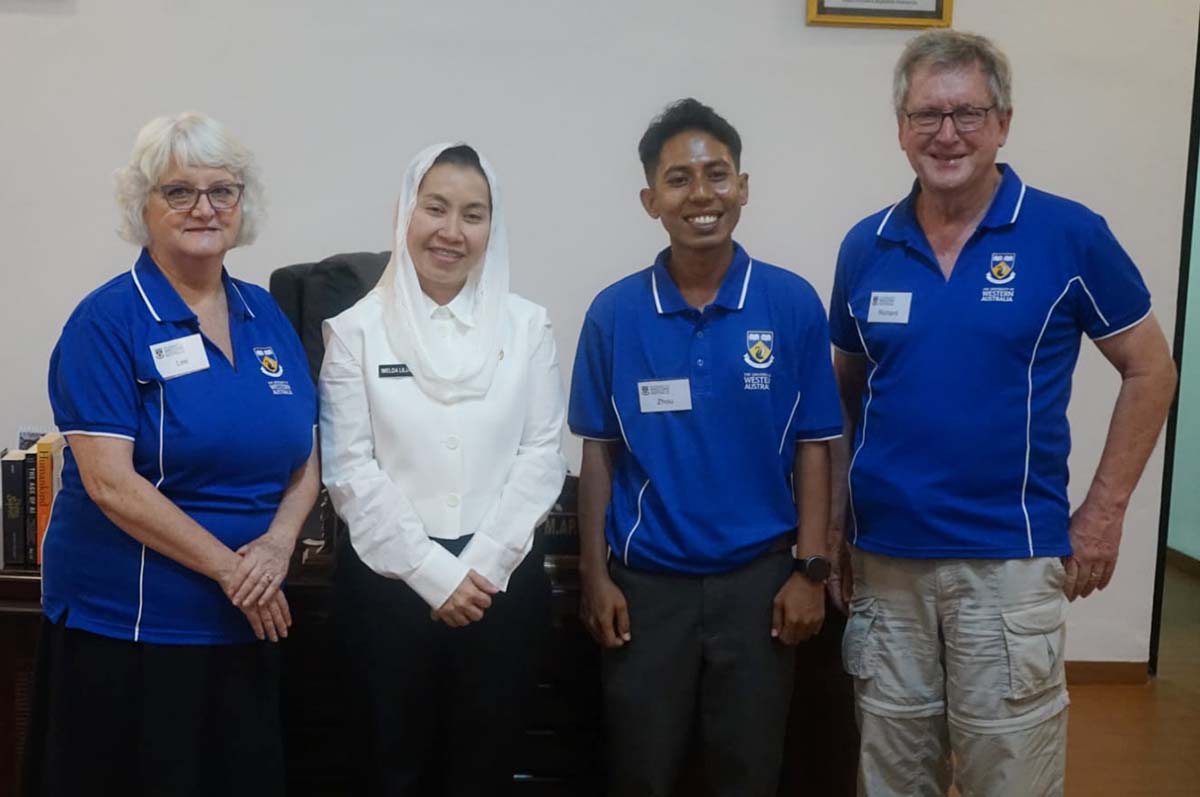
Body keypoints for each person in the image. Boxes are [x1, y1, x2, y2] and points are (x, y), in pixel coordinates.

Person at [829, 30, 1178, 796]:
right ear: (900, 128)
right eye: (927, 114)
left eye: (967, 113)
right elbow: (845, 392)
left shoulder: (1068, 235)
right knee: (891, 781)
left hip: (1009, 568)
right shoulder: (866, 247)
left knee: (1011, 782)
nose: (946, 134)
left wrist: (1104, 512)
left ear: (1004, 123)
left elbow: (1151, 368)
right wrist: (835, 525)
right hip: (887, 568)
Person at [23, 112, 319, 797]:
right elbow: (110, 485)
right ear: (143, 205)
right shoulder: (107, 321)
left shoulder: (265, 314)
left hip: (246, 618)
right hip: (133, 630)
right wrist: (232, 570)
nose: (203, 208)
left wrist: (277, 546)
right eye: (179, 191)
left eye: (222, 191)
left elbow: (308, 450)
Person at [569, 98, 844, 797]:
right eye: (678, 179)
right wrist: (595, 576)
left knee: (748, 773)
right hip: (646, 587)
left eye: (717, 174)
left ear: (742, 187)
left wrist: (810, 571)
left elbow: (816, 445)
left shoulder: (790, 304)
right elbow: (598, 454)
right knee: (642, 771)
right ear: (650, 201)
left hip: (760, 585)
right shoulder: (613, 314)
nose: (701, 194)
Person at [319, 142, 568, 796]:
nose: (452, 231)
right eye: (435, 208)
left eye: (472, 214)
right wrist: (436, 575)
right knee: (387, 770)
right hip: (387, 588)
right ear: (406, 212)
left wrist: (478, 568)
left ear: (492, 226)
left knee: (485, 769)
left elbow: (542, 454)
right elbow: (350, 471)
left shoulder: (528, 326)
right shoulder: (354, 331)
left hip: (500, 585)